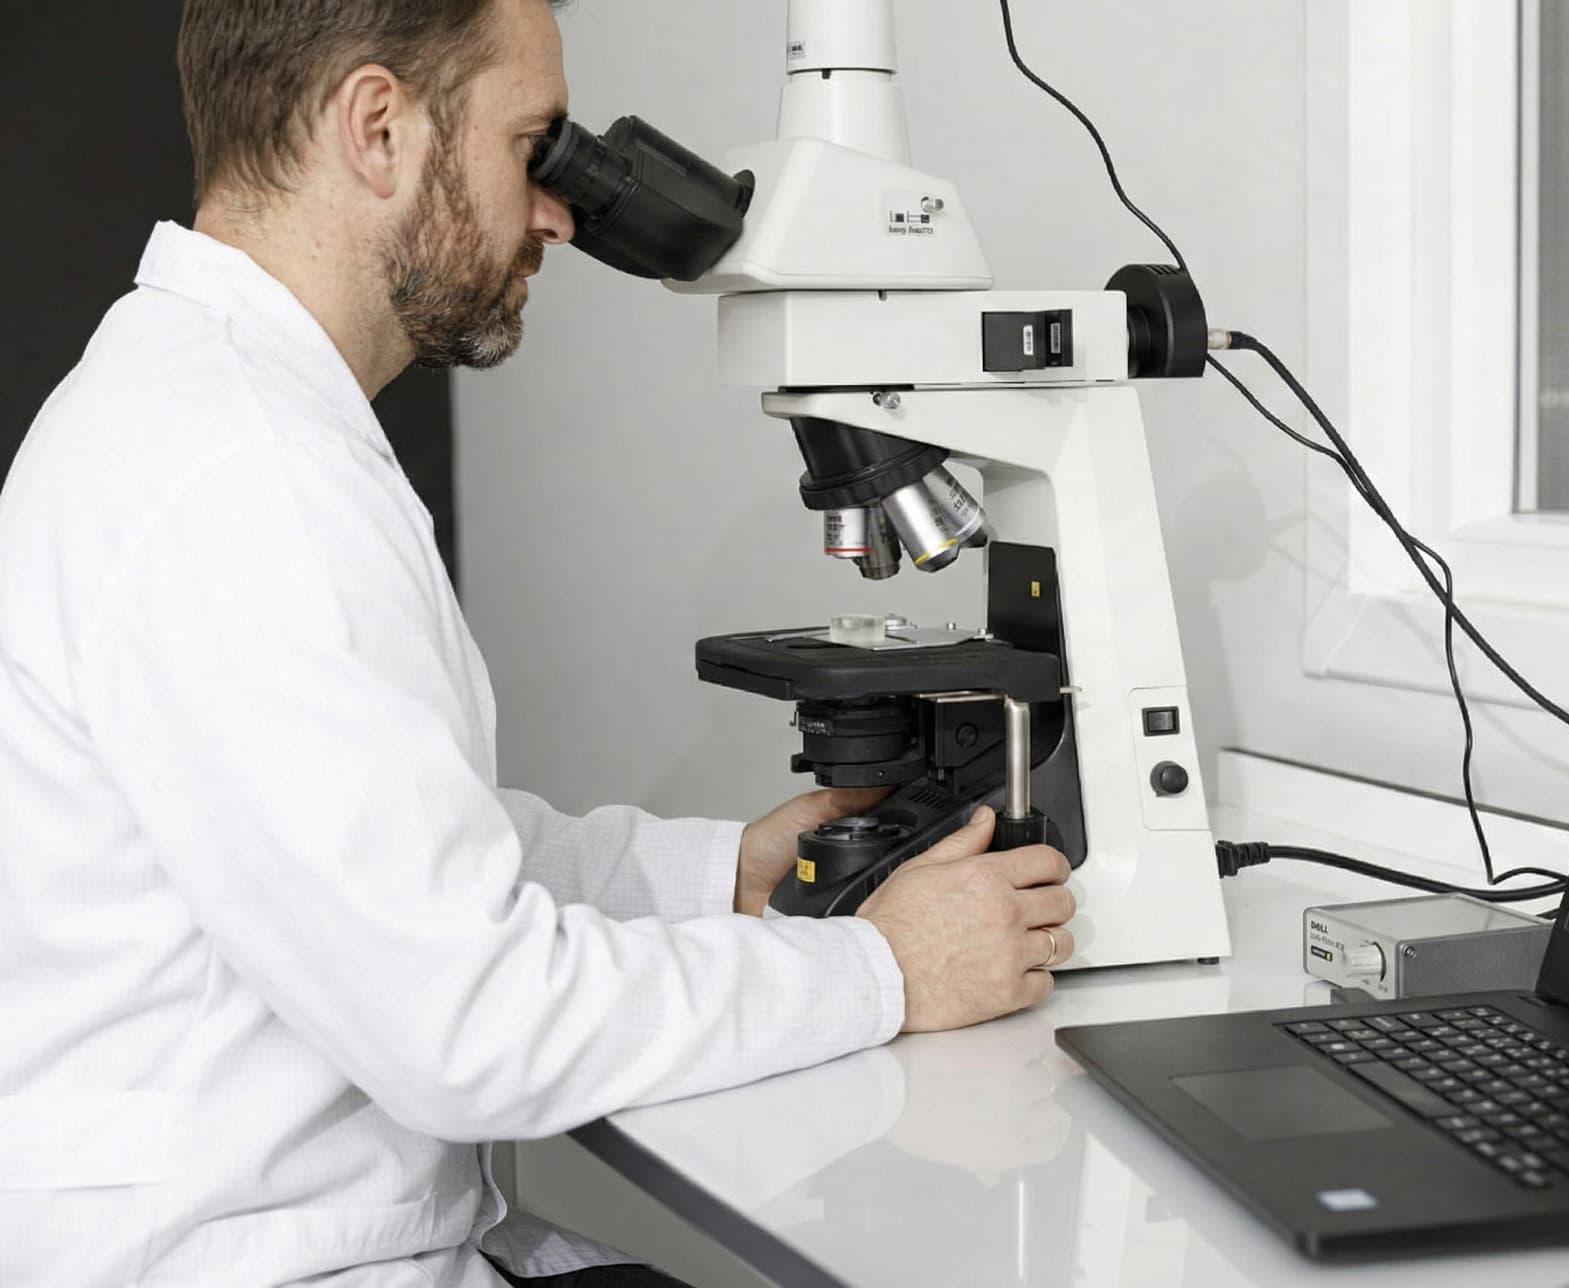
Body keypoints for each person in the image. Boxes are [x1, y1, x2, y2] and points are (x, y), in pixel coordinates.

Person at [0, 1, 1076, 1284]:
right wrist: (885, 969)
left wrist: (719, 874)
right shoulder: (244, 473)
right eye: (534, 146)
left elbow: (388, 853)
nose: (562, 213)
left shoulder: (206, 404)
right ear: (378, 127)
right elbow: (468, 1023)